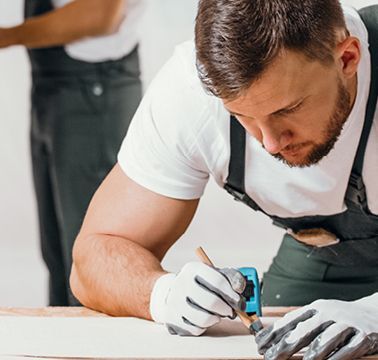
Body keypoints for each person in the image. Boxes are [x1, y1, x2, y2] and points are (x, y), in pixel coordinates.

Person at [71, 0, 378, 359]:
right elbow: (93, 256)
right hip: (328, 253)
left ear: (347, 58)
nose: (270, 143)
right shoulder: (190, 95)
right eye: (242, 116)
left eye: (287, 109)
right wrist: (161, 293)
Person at [0, 0, 143, 306]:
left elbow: (101, 13)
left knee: (90, 265)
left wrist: (7, 36)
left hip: (94, 93)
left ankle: (96, 353)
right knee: (59, 259)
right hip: (53, 88)